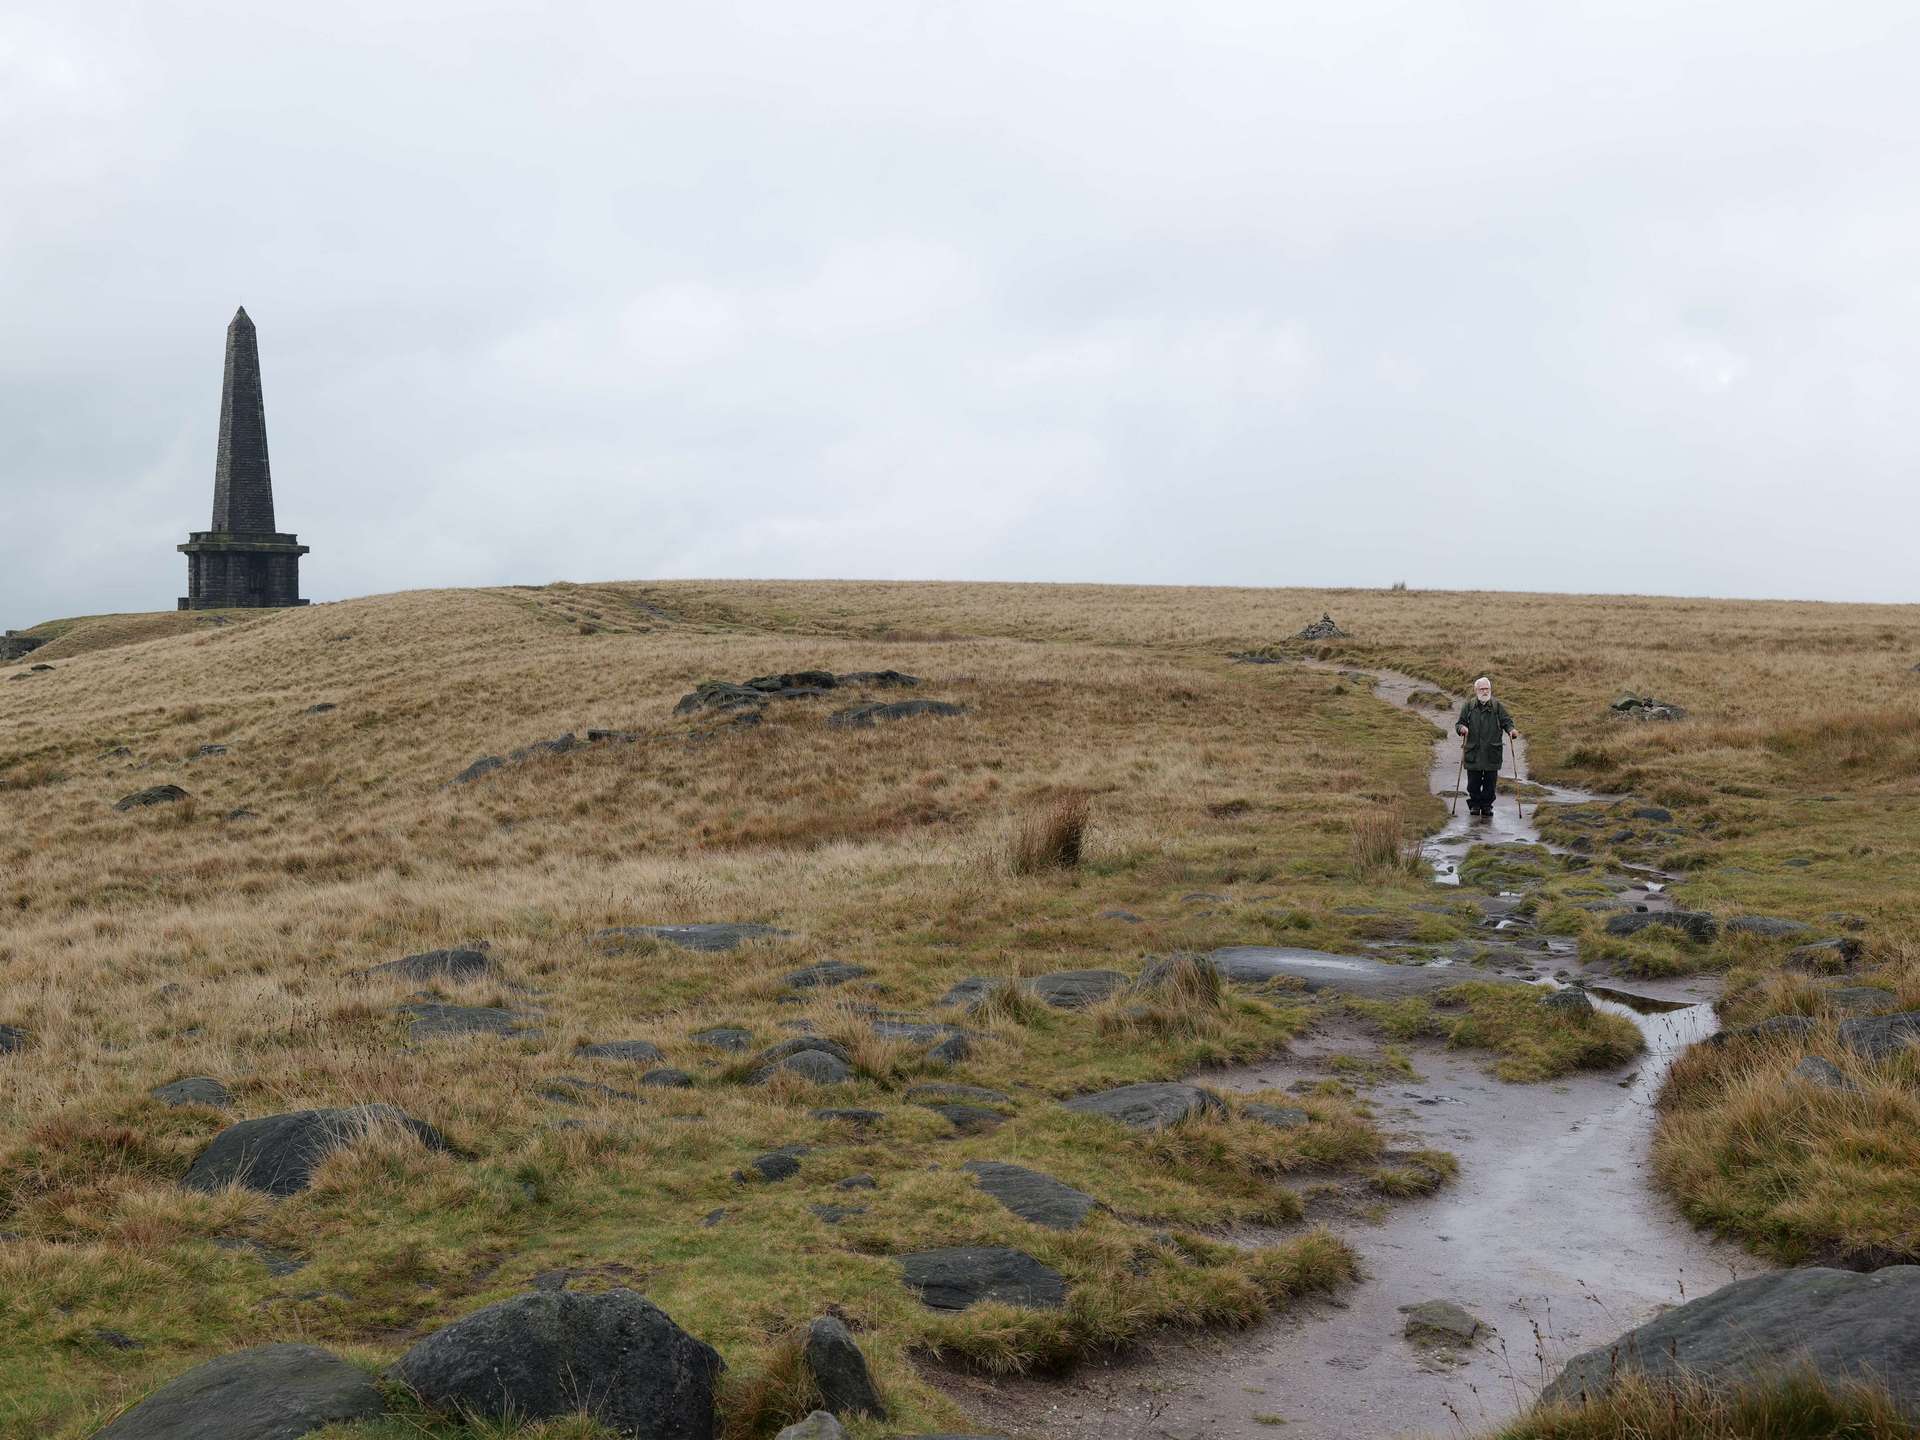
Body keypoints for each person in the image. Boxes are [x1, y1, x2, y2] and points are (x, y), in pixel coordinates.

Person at [1456, 676, 1518, 817]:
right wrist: (1462, 729)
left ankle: (1487, 806)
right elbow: (1459, 723)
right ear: (1475, 690)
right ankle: (1475, 805)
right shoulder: (1469, 706)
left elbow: (1507, 721)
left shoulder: (1497, 706)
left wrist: (1511, 731)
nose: (1485, 691)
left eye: (1487, 689)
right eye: (1482, 689)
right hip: (1474, 751)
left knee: (1490, 783)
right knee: (1473, 782)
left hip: (1492, 751)